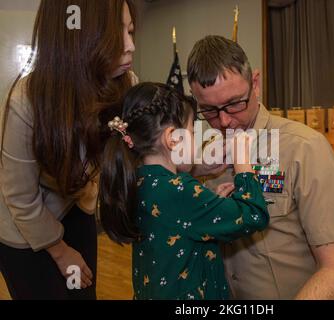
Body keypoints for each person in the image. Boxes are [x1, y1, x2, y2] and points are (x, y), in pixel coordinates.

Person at [187, 35, 334, 300]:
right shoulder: (200, 155)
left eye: (234, 104)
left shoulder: (304, 148)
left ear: (255, 84)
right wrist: (194, 170)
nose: (224, 121)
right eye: (208, 110)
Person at [0, 0, 137, 300]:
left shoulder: (123, 85)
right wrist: (61, 253)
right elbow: (20, 199)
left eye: (131, 31)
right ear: (81, 37)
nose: (131, 47)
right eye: (118, 35)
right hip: (25, 228)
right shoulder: (26, 102)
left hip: (76, 210)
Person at [99, 82, 269, 300]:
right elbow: (254, 214)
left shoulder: (137, 181)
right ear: (173, 138)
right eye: (191, 132)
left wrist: (209, 205)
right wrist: (242, 162)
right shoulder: (179, 190)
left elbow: (177, 223)